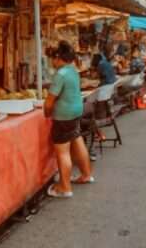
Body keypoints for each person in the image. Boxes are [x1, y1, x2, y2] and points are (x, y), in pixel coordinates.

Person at [45, 41, 93, 198]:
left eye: (53, 58)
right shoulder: (73, 71)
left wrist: (46, 112)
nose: (52, 62)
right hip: (76, 112)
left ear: (58, 57)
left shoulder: (60, 74)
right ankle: (86, 175)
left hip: (63, 116)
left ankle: (65, 187)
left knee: (62, 152)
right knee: (77, 140)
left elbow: (50, 100)